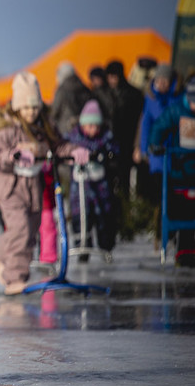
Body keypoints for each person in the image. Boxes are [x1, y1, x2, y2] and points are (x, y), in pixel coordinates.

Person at [0, 72, 90, 295]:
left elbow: (58, 146)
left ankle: (0, 252)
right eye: (26, 107)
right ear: (17, 107)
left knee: (30, 229)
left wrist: (73, 151)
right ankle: (14, 278)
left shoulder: (43, 126)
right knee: (20, 227)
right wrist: (14, 155)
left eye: (34, 107)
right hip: (8, 185)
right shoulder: (6, 128)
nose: (31, 112)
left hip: (32, 184)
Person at [149, 76, 195, 268]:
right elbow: (159, 127)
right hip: (181, 170)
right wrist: (155, 144)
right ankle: (184, 249)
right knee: (183, 209)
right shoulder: (176, 111)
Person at [65, 100, 119, 260]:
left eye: (96, 126)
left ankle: (106, 247)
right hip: (80, 185)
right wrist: (70, 157)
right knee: (81, 216)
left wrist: (107, 155)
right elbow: (64, 149)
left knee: (103, 215)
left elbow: (114, 149)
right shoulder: (74, 138)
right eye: (90, 126)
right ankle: (82, 246)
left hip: (100, 184)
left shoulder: (105, 137)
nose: (93, 130)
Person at [134, 64, 179, 220]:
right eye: (158, 80)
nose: (161, 84)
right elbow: (145, 125)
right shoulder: (151, 98)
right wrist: (143, 149)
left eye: (164, 81)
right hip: (157, 151)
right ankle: (157, 219)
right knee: (158, 186)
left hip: (175, 151)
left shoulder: (178, 99)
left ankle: (169, 221)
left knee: (174, 190)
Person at [104, 60, 145, 200]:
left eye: (114, 76)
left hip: (127, 141)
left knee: (125, 178)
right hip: (108, 142)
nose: (112, 80)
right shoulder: (104, 93)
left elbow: (138, 121)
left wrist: (136, 145)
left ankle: (125, 205)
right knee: (109, 179)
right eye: (109, 76)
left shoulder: (133, 94)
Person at [50, 61, 93, 137]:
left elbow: (54, 111)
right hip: (85, 128)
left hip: (66, 128)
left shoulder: (61, 90)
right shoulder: (84, 88)